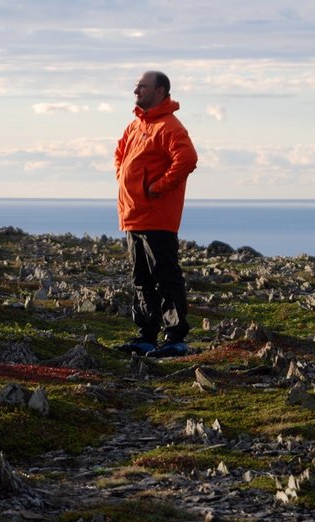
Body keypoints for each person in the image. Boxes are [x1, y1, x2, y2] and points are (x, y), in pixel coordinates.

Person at [114, 71, 198, 357]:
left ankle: (175, 339)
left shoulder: (169, 126)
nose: (136, 90)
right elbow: (120, 155)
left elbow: (187, 159)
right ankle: (146, 336)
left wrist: (158, 188)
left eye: (142, 86)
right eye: (136, 85)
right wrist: (125, 181)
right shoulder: (135, 126)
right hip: (133, 214)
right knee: (141, 278)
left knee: (165, 276)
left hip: (157, 216)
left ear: (160, 91)